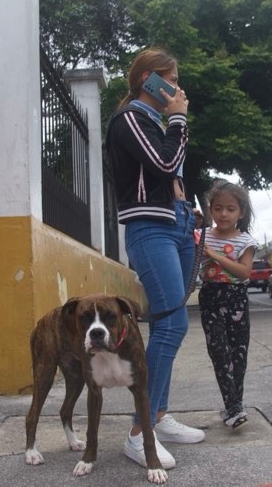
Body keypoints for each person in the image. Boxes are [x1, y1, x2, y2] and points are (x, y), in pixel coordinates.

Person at [104, 47, 205, 470]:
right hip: (150, 229)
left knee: (173, 328)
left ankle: (158, 416)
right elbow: (165, 162)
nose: (178, 87)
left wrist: (188, 208)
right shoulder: (130, 119)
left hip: (178, 225)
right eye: (172, 78)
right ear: (149, 79)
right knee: (171, 324)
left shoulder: (154, 121)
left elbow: (172, 172)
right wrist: (179, 119)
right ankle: (138, 431)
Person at [198, 179, 257, 429]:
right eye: (218, 207)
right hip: (210, 297)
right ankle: (233, 407)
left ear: (241, 212)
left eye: (231, 209)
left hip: (236, 299)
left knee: (238, 354)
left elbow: (244, 273)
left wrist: (214, 255)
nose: (224, 214)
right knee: (219, 353)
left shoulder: (246, 241)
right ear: (210, 209)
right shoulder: (200, 236)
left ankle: (235, 404)